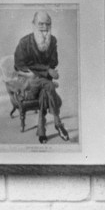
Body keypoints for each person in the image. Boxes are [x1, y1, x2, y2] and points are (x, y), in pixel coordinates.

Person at [14, 11, 70, 143]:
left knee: (46, 89)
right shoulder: (24, 42)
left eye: (47, 24)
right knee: (49, 85)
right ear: (33, 24)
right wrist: (46, 70)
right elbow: (20, 65)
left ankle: (42, 131)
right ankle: (58, 124)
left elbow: (54, 62)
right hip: (28, 82)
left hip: (43, 83)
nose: (44, 27)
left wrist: (45, 70)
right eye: (40, 23)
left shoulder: (53, 40)